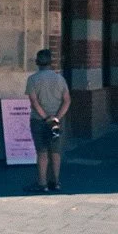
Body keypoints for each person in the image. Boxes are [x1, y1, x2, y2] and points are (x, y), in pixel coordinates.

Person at [25, 48, 71, 193]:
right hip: (56, 121)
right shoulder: (60, 79)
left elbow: (34, 102)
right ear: (51, 62)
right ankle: (56, 182)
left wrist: (45, 117)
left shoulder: (32, 79)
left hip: (39, 121)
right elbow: (67, 101)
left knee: (42, 152)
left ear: (37, 62)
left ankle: (42, 183)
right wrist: (56, 118)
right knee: (56, 152)